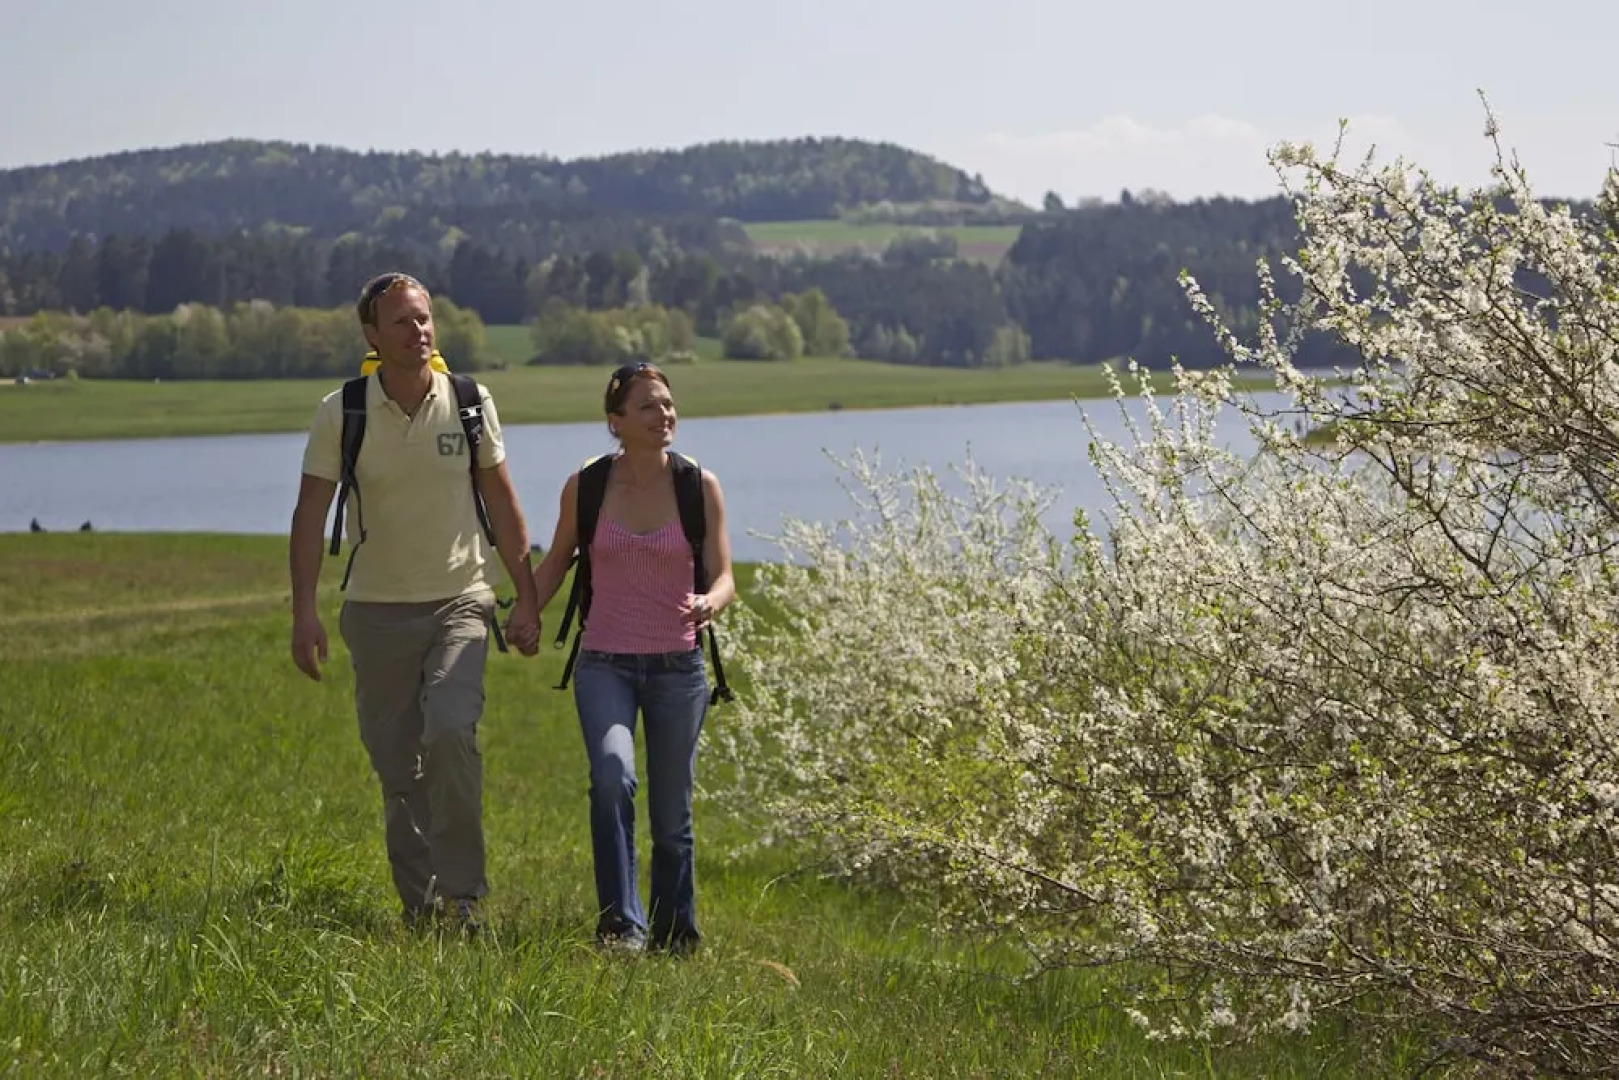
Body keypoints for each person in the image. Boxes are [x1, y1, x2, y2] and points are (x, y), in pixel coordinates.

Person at [287, 271, 541, 933]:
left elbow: (502, 502)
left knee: (452, 733)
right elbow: (310, 515)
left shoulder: (468, 400)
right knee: (400, 766)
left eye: (424, 318)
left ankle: (464, 898)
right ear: (371, 334)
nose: (418, 332)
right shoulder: (341, 411)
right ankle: (422, 912)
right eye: (401, 321)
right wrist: (303, 612)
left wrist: (528, 594)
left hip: (460, 599)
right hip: (374, 611)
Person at [531, 361, 735, 954]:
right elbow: (557, 560)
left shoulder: (699, 486)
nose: (663, 415)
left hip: (679, 668)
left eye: (668, 404)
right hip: (605, 664)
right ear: (616, 421)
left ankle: (676, 938)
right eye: (648, 406)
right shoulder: (589, 485)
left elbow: (725, 577)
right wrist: (526, 614)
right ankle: (621, 926)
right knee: (612, 777)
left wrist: (710, 601)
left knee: (672, 816)